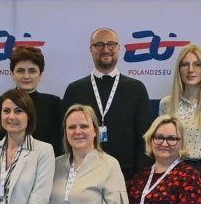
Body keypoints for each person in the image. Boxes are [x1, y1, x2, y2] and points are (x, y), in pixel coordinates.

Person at [63, 28, 155, 170]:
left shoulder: (136, 88)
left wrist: (140, 175)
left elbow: (145, 136)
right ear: (91, 50)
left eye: (111, 44)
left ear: (118, 48)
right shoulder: (75, 89)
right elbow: (64, 135)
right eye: (99, 45)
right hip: (84, 172)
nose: (106, 49)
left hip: (126, 175)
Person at [7, 46, 64, 151]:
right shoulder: (0, 104)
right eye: (20, 71)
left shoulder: (54, 104)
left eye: (32, 71)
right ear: (12, 74)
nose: (26, 76)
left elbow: (60, 142)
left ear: (40, 74)